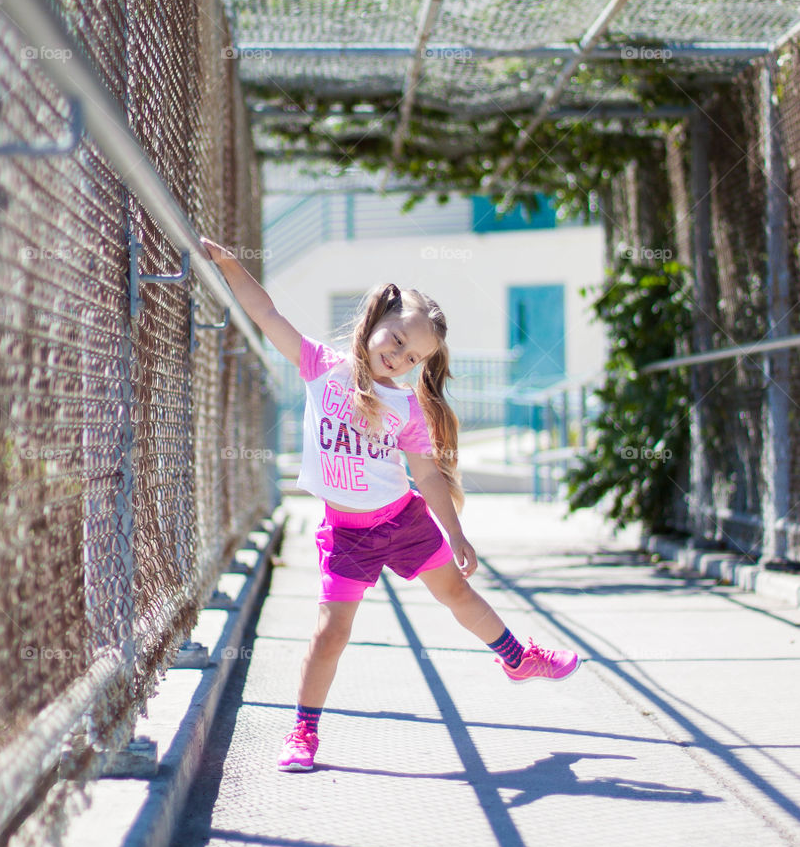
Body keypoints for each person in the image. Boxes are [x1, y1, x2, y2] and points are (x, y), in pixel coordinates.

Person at [200, 238, 579, 772]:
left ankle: (519, 658)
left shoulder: (406, 405)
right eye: (397, 340)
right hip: (348, 534)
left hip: (404, 521)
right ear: (376, 319)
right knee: (331, 632)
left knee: (457, 594)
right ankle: (304, 730)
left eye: (412, 356)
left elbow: (426, 474)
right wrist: (229, 265)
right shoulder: (319, 367)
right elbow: (266, 311)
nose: (398, 358)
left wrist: (457, 534)